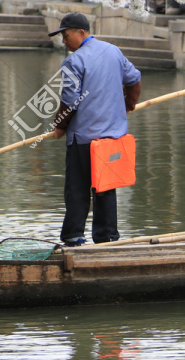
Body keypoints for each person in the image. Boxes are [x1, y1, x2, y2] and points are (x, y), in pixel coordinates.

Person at [48, 13, 141, 246]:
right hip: (112, 138)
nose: (63, 41)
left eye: (65, 36)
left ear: (81, 33)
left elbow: (69, 101)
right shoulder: (113, 51)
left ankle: (73, 236)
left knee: (78, 189)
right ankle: (107, 237)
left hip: (84, 139)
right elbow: (134, 79)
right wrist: (128, 104)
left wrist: (59, 125)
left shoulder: (73, 61)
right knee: (105, 188)